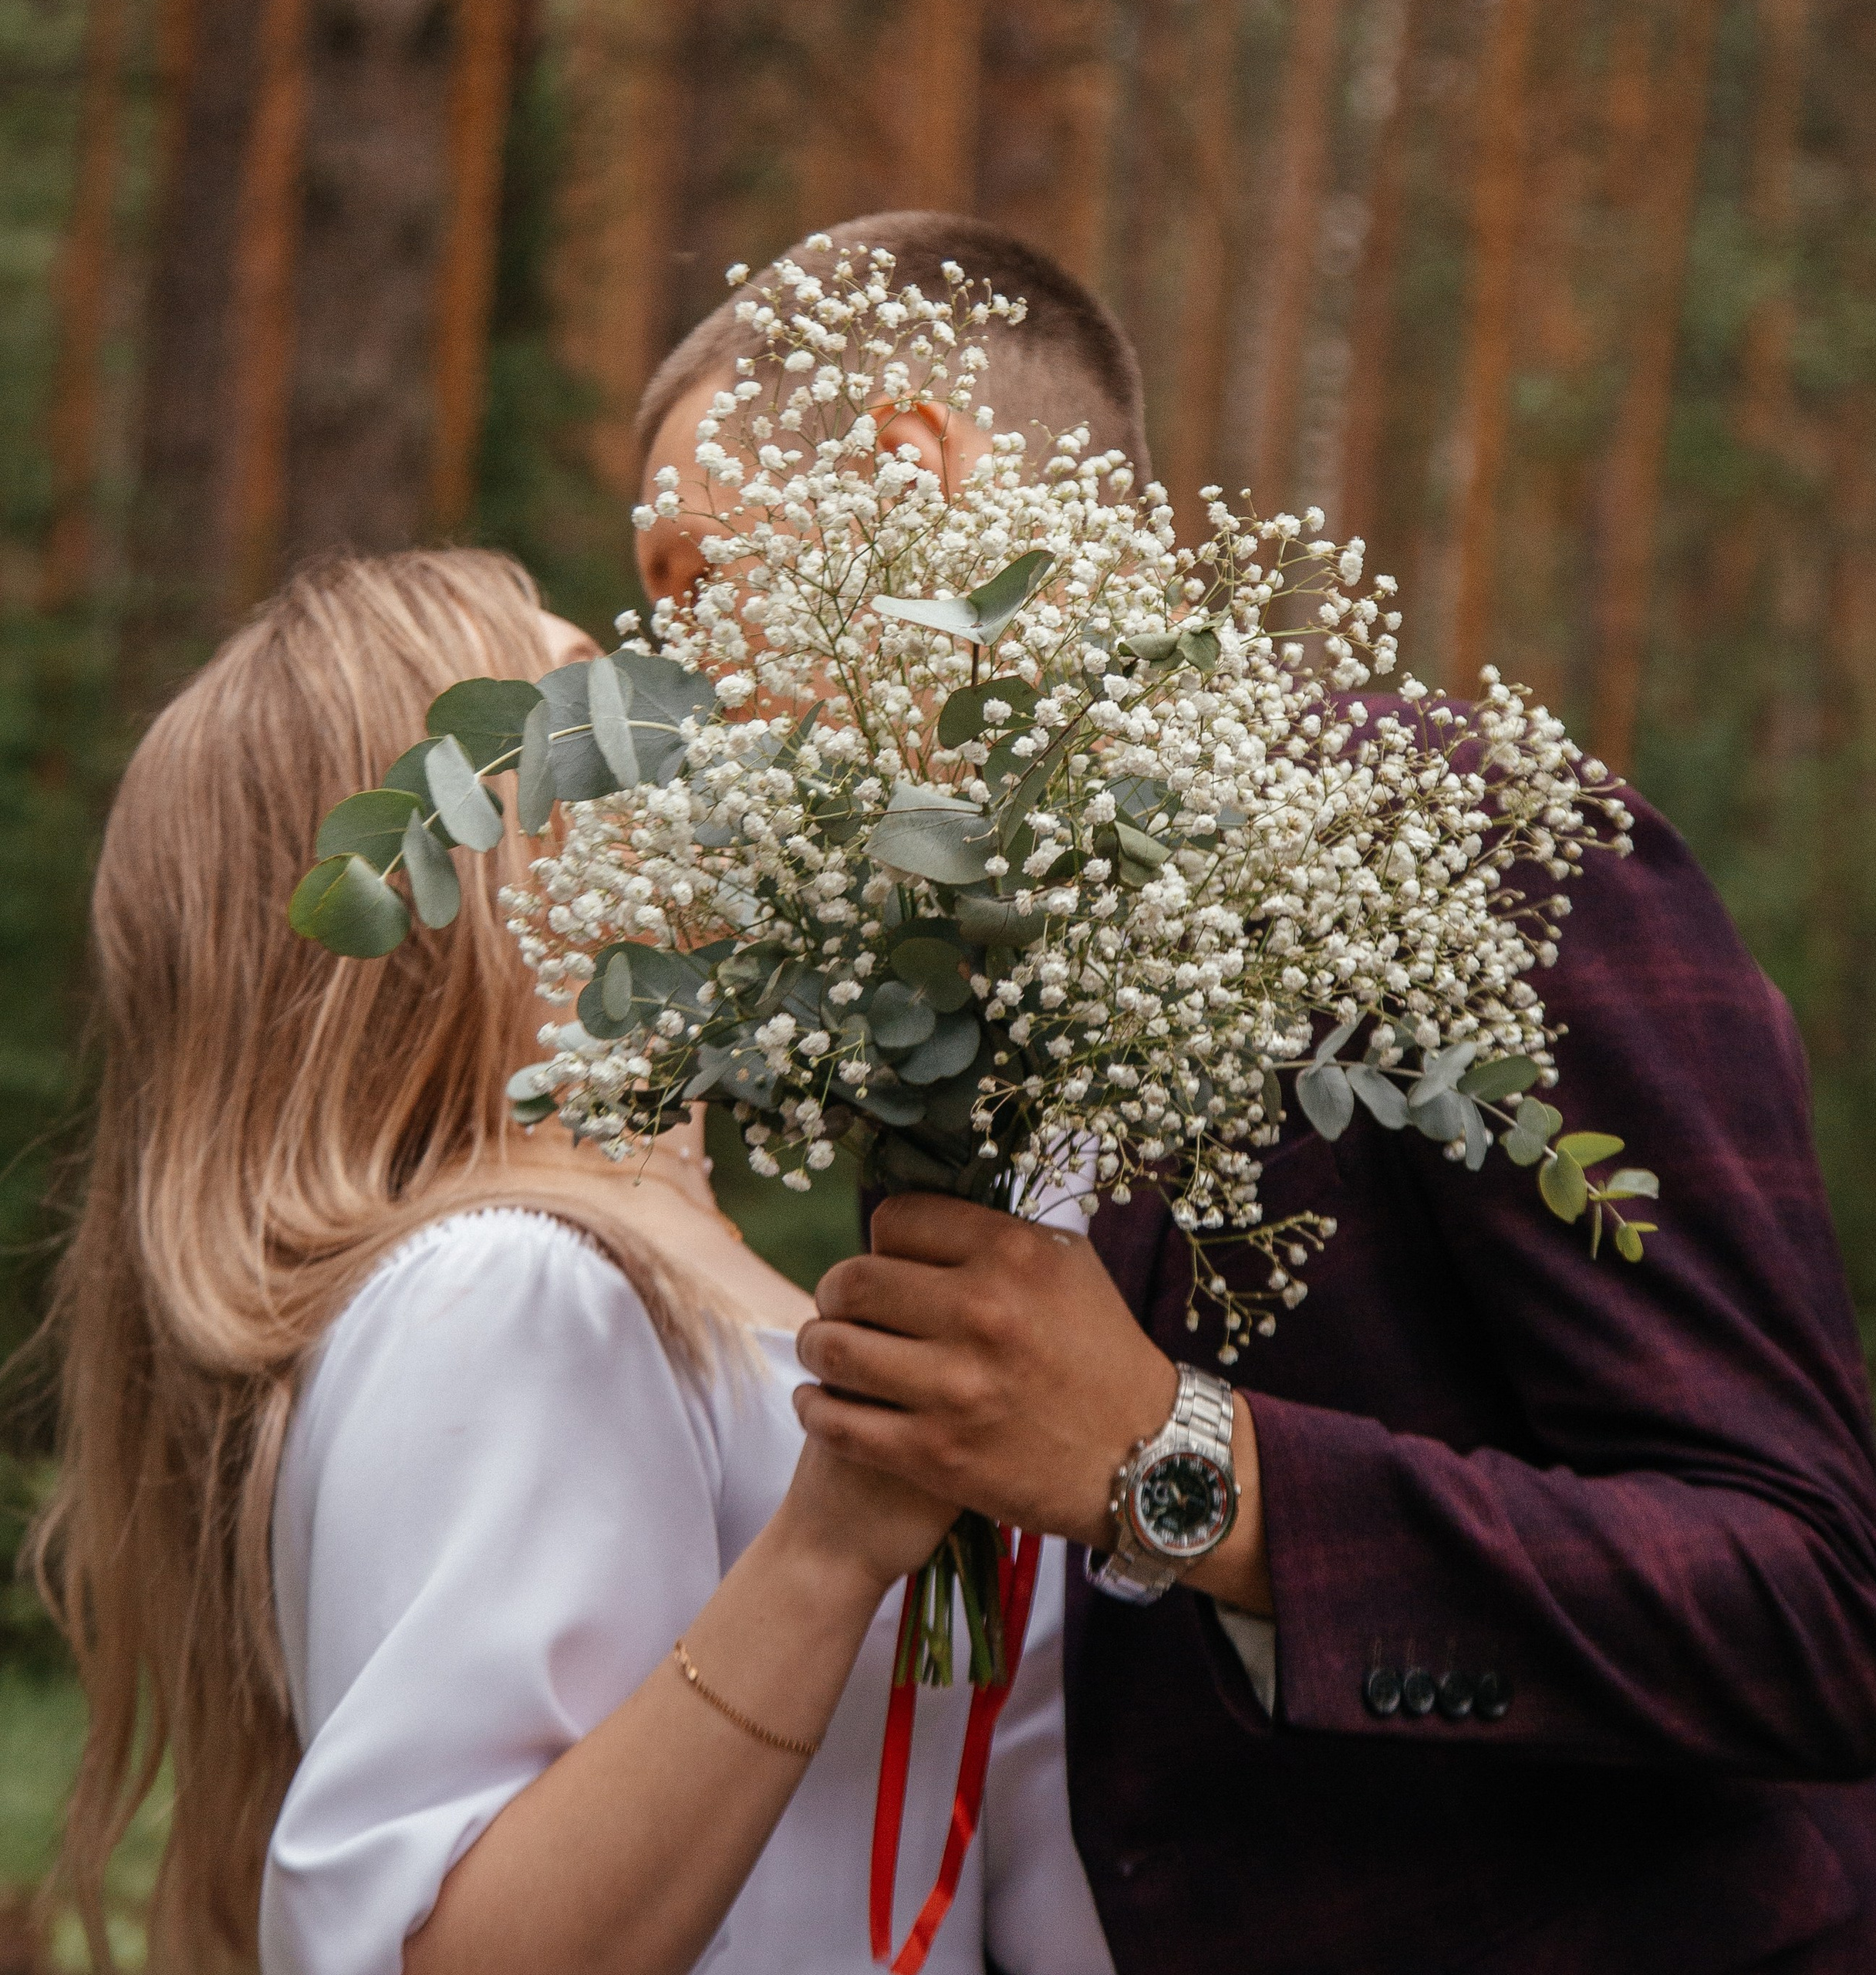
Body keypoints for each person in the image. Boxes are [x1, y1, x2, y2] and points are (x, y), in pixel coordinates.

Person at [636, 214, 1876, 1970]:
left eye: (686, 584)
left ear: (906, 473)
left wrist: (1181, 1466)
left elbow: (1814, 1618)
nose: (671, 701)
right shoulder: (970, 1012)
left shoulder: (1458, 856)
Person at [30, 548, 1114, 1975]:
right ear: (442, 878)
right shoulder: (515, 1284)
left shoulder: (629, 1282)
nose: (691, 743)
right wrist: (832, 1546)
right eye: (600, 726)